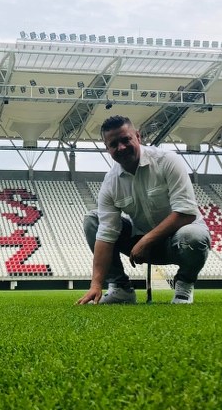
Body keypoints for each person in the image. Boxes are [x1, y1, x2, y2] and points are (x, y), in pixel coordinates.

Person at [76, 115, 210, 305]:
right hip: (140, 241)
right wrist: (96, 284)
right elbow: (106, 233)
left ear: (138, 136)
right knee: (93, 220)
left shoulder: (167, 161)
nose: (121, 147)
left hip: (177, 240)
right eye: (113, 144)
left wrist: (147, 240)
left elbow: (186, 213)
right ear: (107, 148)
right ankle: (120, 288)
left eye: (126, 140)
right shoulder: (110, 182)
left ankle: (184, 286)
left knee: (194, 236)